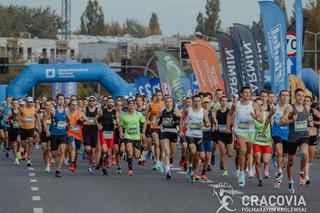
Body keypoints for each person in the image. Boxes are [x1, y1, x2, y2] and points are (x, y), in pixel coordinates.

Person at [229, 86, 262, 187]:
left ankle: (243, 168)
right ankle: (242, 174)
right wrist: (229, 126)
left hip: (250, 131)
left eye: (249, 92)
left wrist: (255, 117)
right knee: (242, 150)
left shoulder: (254, 104)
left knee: (248, 153)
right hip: (239, 131)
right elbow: (229, 114)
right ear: (241, 94)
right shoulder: (236, 104)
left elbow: (261, 119)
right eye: (245, 92)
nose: (248, 94)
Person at [280, 88, 310, 194]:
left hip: (304, 136)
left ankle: (301, 172)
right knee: (291, 161)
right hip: (292, 138)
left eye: (302, 95)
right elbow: (281, 122)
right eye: (298, 95)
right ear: (295, 96)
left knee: (304, 154)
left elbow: (306, 118)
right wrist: (292, 120)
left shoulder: (307, 107)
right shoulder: (290, 108)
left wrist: (309, 122)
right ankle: (290, 181)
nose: (301, 97)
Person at [180, 95, 210, 183]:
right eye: (195, 101)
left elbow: (207, 122)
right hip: (190, 135)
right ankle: (189, 165)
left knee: (200, 156)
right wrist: (181, 130)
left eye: (198, 101)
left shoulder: (204, 111)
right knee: (192, 151)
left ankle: (193, 172)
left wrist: (205, 124)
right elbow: (181, 119)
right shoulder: (188, 110)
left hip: (199, 136)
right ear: (192, 102)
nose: (197, 103)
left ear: (200, 102)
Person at [119, 98, 147, 176]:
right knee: (130, 153)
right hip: (128, 136)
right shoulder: (124, 115)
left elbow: (144, 122)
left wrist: (143, 132)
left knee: (137, 156)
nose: (131, 107)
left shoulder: (138, 114)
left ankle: (141, 156)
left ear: (134, 106)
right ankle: (130, 169)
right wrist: (121, 133)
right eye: (129, 105)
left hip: (137, 137)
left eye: (132, 105)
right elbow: (120, 126)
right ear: (127, 106)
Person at [46, 94, 69, 178]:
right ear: (56, 100)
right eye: (60, 99)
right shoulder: (53, 109)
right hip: (54, 133)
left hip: (63, 133)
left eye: (63, 99)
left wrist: (67, 124)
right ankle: (52, 157)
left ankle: (58, 170)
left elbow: (69, 121)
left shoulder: (66, 110)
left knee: (62, 151)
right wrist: (47, 130)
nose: (61, 101)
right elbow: (47, 120)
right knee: (55, 153)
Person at [158, 96, 181, 179]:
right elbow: (159, 121)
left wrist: (180, 131)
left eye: (170, 101)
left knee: (173, 153)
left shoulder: (175, 111)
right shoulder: (162, 111)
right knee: (167, 152)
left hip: (173, 132)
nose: (168, 103)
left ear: (172, 103)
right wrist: (155, 121)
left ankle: (170, 158)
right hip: (165, 132)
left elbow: (179, 122)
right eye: (166, 101)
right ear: (165, 102)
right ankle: (168, 171)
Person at [271, 90, 290, 188]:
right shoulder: (275, 108)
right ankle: (279, 173)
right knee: (279, 152)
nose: (284, 97)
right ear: (279, 97)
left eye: (286, 95)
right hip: (276, 132)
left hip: (287, 134)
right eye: (283, 95)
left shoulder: (291, 108)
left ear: (289, 97)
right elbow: (269, 118)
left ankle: (281, 165)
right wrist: (265, 129)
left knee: (284, 154)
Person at [253, 98, 273, 187]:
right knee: (257, 160)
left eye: (260, 105)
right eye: (257, 105)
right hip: (256, 141)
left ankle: (264, 167)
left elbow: (272, 125)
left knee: (265, 161)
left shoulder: (267, 114)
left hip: (266, 141)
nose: (259, 106)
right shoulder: (252, 116)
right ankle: (260, 179)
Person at [301, 96, 320, 185]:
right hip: (303, 136)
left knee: (310, 159)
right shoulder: (299, 110)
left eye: (308, 101)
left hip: (313, 135)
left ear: (311, 103)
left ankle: (302, 172)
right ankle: (306, 176)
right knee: (305, 155)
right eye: (304, 101)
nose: (305, 102)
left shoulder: (314, 111)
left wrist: (315, 123)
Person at [96, 96, 117, 176]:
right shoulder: (102, 111)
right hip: (103, 133)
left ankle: (104, 168)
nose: (110, 103)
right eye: (109, 102)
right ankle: (101, 158)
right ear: (107, 103)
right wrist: (98, 125)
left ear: (113, 103)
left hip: (111, 134)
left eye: (112, 102)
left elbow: (118, 123)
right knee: (104, 150)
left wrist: (116, 123)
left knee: (108, 153)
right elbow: (95, 118)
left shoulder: (115, 112)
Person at [215, 96, 233, 177]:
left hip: (228, 134)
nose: (224, 102)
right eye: (222, 101)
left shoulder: (229, 112)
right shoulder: (217, 112)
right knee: (223, 152)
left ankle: (221, 162)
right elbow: (215, 121)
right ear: (220, 102)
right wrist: (215, 126)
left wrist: (230, 128)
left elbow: (233, 123)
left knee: (229, 154)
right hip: (220, 134)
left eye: (226, 101)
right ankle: (225, 170)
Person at [67, 99, 87, 173]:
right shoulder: (67, 114)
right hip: (71, 133)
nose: (74, 106)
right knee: (73, 146)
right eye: (72, 105)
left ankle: (74, 162)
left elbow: (87, 121)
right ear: (70, 106)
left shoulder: (81, 114)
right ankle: (72, 163)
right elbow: (65, 124)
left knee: (76, 151)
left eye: (75, 104)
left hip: (79, 134)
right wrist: (67, 125)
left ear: (77, 106)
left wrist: (81, 122)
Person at [147, 90, 165, 171]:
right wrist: (148, 120)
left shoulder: (165, 104)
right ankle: (157, 161)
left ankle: (160, 162)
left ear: (162, 96)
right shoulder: (151, 104)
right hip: (153, 127)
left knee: (162, 146)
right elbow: (146, 114)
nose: (158, 97)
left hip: (163, 127)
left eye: (160, 95)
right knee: (157, 144)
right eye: (157, 95)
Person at [83, 95, 99, 174]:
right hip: (86, 131)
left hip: (94, 131)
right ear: (88, 102)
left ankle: (90, 167)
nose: (92, 102)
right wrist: (85, 121)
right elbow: (81, 118)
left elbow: (100, 119)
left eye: (93, 101)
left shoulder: (98, 110)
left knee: (93, 150)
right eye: (90, 100)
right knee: (88, 149)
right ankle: (85, 152)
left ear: (95, 102)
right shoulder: (85, 109)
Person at [19, 97, 37, 166]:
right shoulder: (22, 109)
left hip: (31, 128)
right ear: (26, 102)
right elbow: (18, 117)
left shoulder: (34, 109)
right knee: (23, 144)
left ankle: (29, 159)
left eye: (31, 102)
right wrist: (19, 122)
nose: (30, 103)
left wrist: (36, 127)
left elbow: (37, 118)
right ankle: (25, 150)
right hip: (23, 128)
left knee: (30, 142)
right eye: (29, 102)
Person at [200, 97, 214, 180]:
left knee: (208, 157)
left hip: (208, 136)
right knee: (201, 156)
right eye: (204, 103)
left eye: (208, 103)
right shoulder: (199, 112)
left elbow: (215, 121)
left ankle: (203, 173)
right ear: (202, 104)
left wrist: (215, 125)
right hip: (200, 136)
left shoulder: (211, 113)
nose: (206, 104)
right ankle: (193, 170)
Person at [5, 99, 21, 165]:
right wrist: (9, 121)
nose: (15, 104)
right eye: (13, 103)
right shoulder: (10, 111)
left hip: (19, 129)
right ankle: (16, 158)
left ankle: (18, 153)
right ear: (12, 104)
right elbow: (5, 120)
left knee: (19, 141)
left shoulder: (21, 111)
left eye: (16, 103)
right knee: (14, 143)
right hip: (12, 129)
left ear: (18, 104)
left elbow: (24, 118)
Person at [39, 100, 53, 172]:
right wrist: (39, 129)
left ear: (51, 106)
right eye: (47, 105)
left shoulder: (53, 114)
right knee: (44, 150)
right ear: (44, 106)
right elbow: (38, 123)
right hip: (44, 133)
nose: (48, 106)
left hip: (51, 133)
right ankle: (46, 163)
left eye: (49, 105)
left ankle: (48, 164)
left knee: (50, 148)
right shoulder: (41, 114)